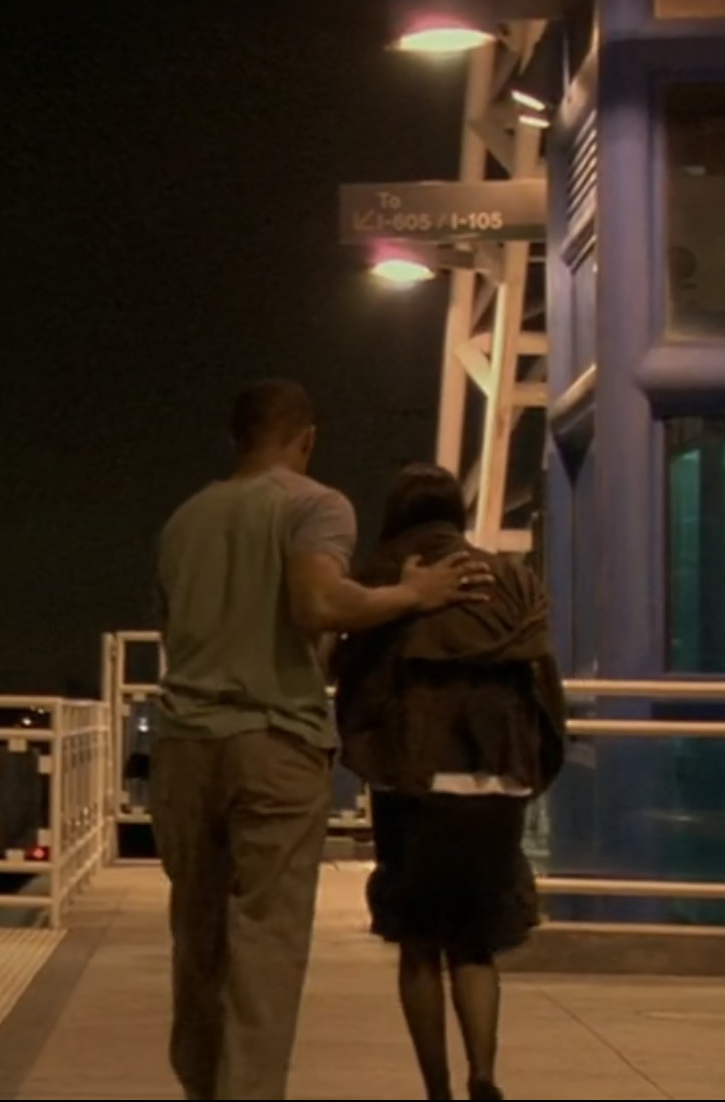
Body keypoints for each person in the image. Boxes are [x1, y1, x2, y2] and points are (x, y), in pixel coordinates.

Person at [152, 380, 490, 1101]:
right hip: (274, 744)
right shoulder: (315, 504)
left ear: (236, 437)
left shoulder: (185, 519)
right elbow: (317, 602)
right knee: (266, 945)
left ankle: (202, 1090)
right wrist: (412, 595)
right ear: (306, 438)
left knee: (197, 941)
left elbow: (179, 631)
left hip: (182, 748)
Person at [331, 464, 568, 1102]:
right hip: (497, 780)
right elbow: (545, 692)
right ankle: (482, 1075)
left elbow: (351, 676)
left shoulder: (388, 578)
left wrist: (368, 756)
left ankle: (436, 1090)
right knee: (474, 945)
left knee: (418, 946)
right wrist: (529, 771)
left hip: (416, 783)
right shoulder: (512, 580)